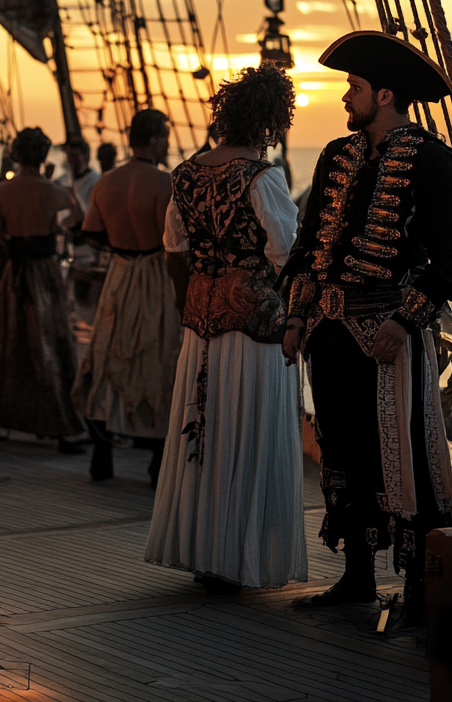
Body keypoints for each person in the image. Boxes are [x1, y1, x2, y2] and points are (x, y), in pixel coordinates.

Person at [280, 30, 452, 625]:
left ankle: (416, 587)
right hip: (330, 335)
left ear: (384, 94)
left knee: (402, 458)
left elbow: (449, 265)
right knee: (342, 450)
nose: (345, 98)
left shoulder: (435, 162)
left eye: (353, 88)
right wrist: (295, 318)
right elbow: (310, 249)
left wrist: (405, 321)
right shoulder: (337, 155)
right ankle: (357, 575)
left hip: (388, 338)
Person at [145, 65, 306, 594]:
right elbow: (286, 254)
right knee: (248, 430)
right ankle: (242, 554)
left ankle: (205, 552)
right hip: (256, 329)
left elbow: (174, 248)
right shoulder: (264, 176)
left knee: (206, 432)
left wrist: (187, 301)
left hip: (200, 325)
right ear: (270, 122)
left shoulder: (186, 174)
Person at [72, 109, 179, 485]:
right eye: (165, 136)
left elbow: (90, 232)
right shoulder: (165, 182)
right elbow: (176, 240)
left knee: (108, 354)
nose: (166, 143)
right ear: (153, 139)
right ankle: (156, 459)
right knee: (156, 355)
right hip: (154, 273)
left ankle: (102, 453)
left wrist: (119, 244)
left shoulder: (106, 183)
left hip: (118, 273)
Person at [0, 126, 86, 451]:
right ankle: (60, 423)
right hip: (46, 273)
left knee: (10, 341)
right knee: (52, 343)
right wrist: (53, 226)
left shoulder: (0, 191)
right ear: (44, 155)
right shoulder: (57, 191)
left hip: (16, 273)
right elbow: (79, 218)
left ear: (16, 153)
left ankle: (1, 419)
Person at [55, 138, 101, 304]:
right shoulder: (61, 181)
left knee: (83, 298)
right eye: (69, 156)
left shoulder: (95, 182)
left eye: (75, 156)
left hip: (85, 247)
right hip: (63, 246)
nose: (71, 160)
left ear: (86, 156)